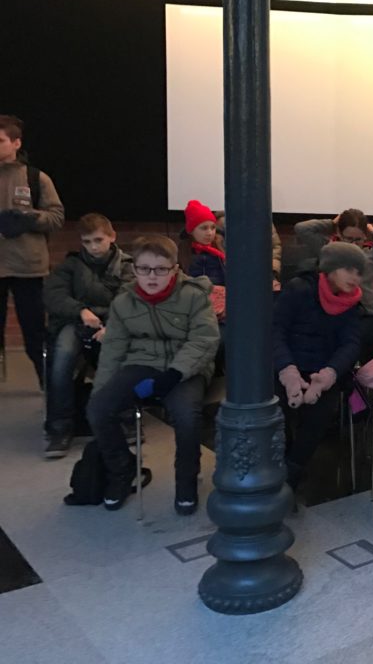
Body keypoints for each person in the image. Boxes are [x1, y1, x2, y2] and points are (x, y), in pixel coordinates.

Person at [86, 236, 220, 514]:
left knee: (186, 416)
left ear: (174, 269)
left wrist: (173, 374)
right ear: (134, 269)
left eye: (160, 269)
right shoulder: (124, 303)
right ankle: (123, 471)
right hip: (141, 363)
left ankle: (186, 479)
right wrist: (101, 392)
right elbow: (112, 350)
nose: (151, 276)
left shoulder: (194, 296)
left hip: (185, 368)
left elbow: (204, 340)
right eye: (144, 269)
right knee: (98, 409)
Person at [272, 242, 365, 497]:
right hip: (287, 366)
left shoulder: (351, 302)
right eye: (349, 269)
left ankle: (291, 476)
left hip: (323, 373)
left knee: (319, 417)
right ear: (330, 268)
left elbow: (351, 344)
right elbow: (276, 331)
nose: (355, 278)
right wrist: (287, 370)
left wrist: (330, 373)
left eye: (359, 272)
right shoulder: (298, 289)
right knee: (275, 413)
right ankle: (278, 467)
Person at [42, 213, 134, 458]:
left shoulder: (127, 265)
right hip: (76, 322)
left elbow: (129, 298)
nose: (93, 247)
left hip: (115, 323)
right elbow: (53, 295)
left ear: (112, 237)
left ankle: (124, 419)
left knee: (119, 358)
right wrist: (80, 310)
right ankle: (60, 427)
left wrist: (111, 325)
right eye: (87, 242)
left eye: (98, 240)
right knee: (61, 359)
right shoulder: (70, 265)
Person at [0, 114, 65, 388]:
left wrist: (30, 219)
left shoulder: (36, 178)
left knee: (35, 333)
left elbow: (57, 217)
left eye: (0, 140)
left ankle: (49, 389)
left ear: (16, 143)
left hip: (28, 268)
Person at [294, 208, 373, 317]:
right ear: (339, 233)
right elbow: (301, 228)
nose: (353, 244)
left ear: (365, 235)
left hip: (367, 314)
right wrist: (332, 224)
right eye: (348, 239)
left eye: (358, 239)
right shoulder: (330, 250)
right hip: (334, 313)